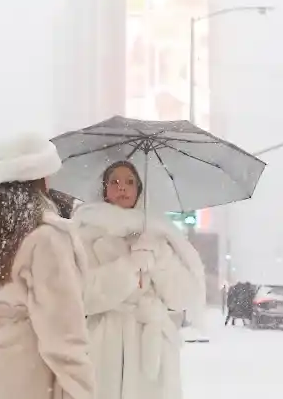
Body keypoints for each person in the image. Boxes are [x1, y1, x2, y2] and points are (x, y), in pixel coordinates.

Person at [0, 132, 93, 399]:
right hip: (27, 375)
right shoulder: (46, 236)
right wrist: (80, 390)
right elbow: (63, 334)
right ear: (40, 177)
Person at [72, 160, 206, 399]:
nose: (122, 187)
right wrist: (129, 267)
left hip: (152, 349)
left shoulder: (159, 234)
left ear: (139, 189)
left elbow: (181, 297)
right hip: (104, 346)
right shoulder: (85, 235)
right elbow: (83, 296)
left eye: (130, 182)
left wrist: (158, 257)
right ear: (103, 189)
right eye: (114, 182)